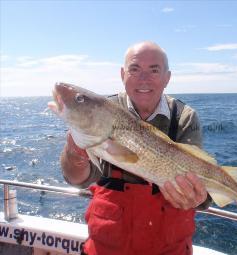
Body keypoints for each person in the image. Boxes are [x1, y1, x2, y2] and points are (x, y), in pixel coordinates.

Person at [60, 41, 211, 255]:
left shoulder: (184, 117)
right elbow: (77, 179)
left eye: (154, 70)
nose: (144, 79)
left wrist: (197, 197)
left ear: (167, 78)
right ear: (123, 74)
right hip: (107, 247)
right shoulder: (103, 111)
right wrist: (75, 151)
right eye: (135, 69)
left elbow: (201, 190)